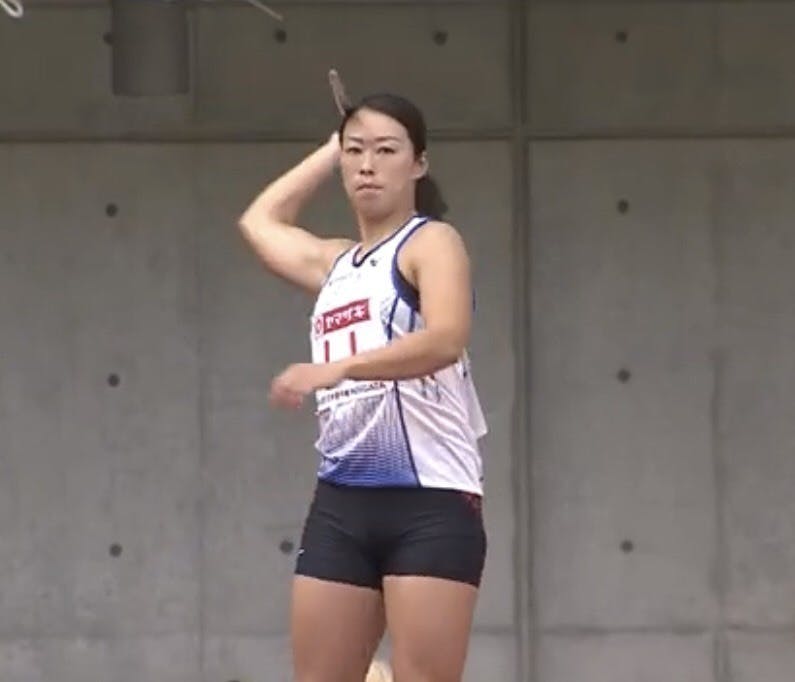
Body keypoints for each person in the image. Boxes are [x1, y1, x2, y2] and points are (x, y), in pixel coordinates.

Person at [238, 92, 488, 682]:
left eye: (386, 150)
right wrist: (331, 147)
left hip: (429, 498)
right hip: (342, 502)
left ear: (419, 164)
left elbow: (446, 338)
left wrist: (340, 368)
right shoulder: (336, 265)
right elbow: (258, 222)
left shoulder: (431, 242)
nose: (368, 165)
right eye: (356, 152)